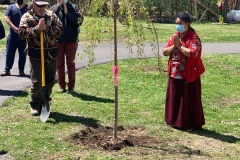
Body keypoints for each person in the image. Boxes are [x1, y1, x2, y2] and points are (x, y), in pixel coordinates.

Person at [19, 0, 63, 116]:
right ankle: (35, 105)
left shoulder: (51, 15)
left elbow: (60, 29)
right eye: (39, 6)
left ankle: (46, 101)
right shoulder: (27, 17)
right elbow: (22, 33)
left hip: (51, 53)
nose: (42, 8)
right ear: (33, 4)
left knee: (50, 80)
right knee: (37, 81)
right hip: (35, 55)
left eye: (44, 5)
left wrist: (47, 29)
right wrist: (37, 29)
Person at [163, 12, 205, 131]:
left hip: (189, 74)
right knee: (174, 97)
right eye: (176, 23)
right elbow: (165, 52)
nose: (178, 26)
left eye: (180, 23)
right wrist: (174, 46)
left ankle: (189, 123)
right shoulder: (175, 36)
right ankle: (172, 120)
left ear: (187, 23)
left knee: (187, 99)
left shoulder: (193, 37)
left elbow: (193, 53)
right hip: (174, 73)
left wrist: (180, 47)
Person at [50, 0, 83, 93]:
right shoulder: (54, 8)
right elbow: (49, 19)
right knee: (59, 64)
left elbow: (79, 21)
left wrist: (67, 13)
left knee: (71, 64)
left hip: (71, 41)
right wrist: (58, 7)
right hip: (58, 41)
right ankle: (62, 86)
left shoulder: (74, 8)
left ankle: (71, 86)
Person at [1, 0, 28, 76]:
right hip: (12, 36)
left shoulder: (28, 8)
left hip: (23, 37)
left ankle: (21, 70)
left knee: (23, 54)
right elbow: (6, 18)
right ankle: (7, 70)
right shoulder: (11, 7)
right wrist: (14, 28)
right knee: (9, 53)